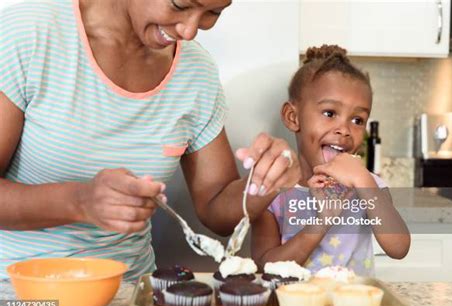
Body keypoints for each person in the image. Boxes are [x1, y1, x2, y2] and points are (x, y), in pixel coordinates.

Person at [0, 0, 301, 281]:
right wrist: (79, 201)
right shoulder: (29, 35)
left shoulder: (196, 72)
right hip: (17, 292)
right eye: (180, 5)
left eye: (213, 12)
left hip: (131, 294)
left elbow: (216, 208)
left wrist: (266, 181)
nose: (190, 30)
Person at [251, 45, 410, 276]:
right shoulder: (275, 192)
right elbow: (265, 267)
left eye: (357, 119)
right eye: (329, 113)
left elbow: (399, 247)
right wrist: (323, 219)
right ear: (293, 117)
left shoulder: (368, 185)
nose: (345, 129)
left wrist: (363, 181)